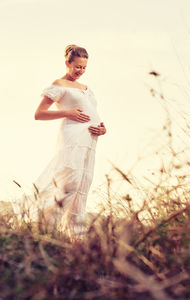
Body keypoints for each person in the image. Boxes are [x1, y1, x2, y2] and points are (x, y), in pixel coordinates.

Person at [13, 44, 106, 242]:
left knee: (82, 186)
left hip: (90, 141)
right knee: (67, 183)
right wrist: (68, 112)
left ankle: (76, 238)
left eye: (84, 68)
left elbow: (93, 113)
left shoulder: (86, 88)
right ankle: (41, 226)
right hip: (73, 139)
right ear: (67, 63)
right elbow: (39, 114)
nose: (80, 71)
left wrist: (103, 128)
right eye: (77, 67)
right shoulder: (58, 84)